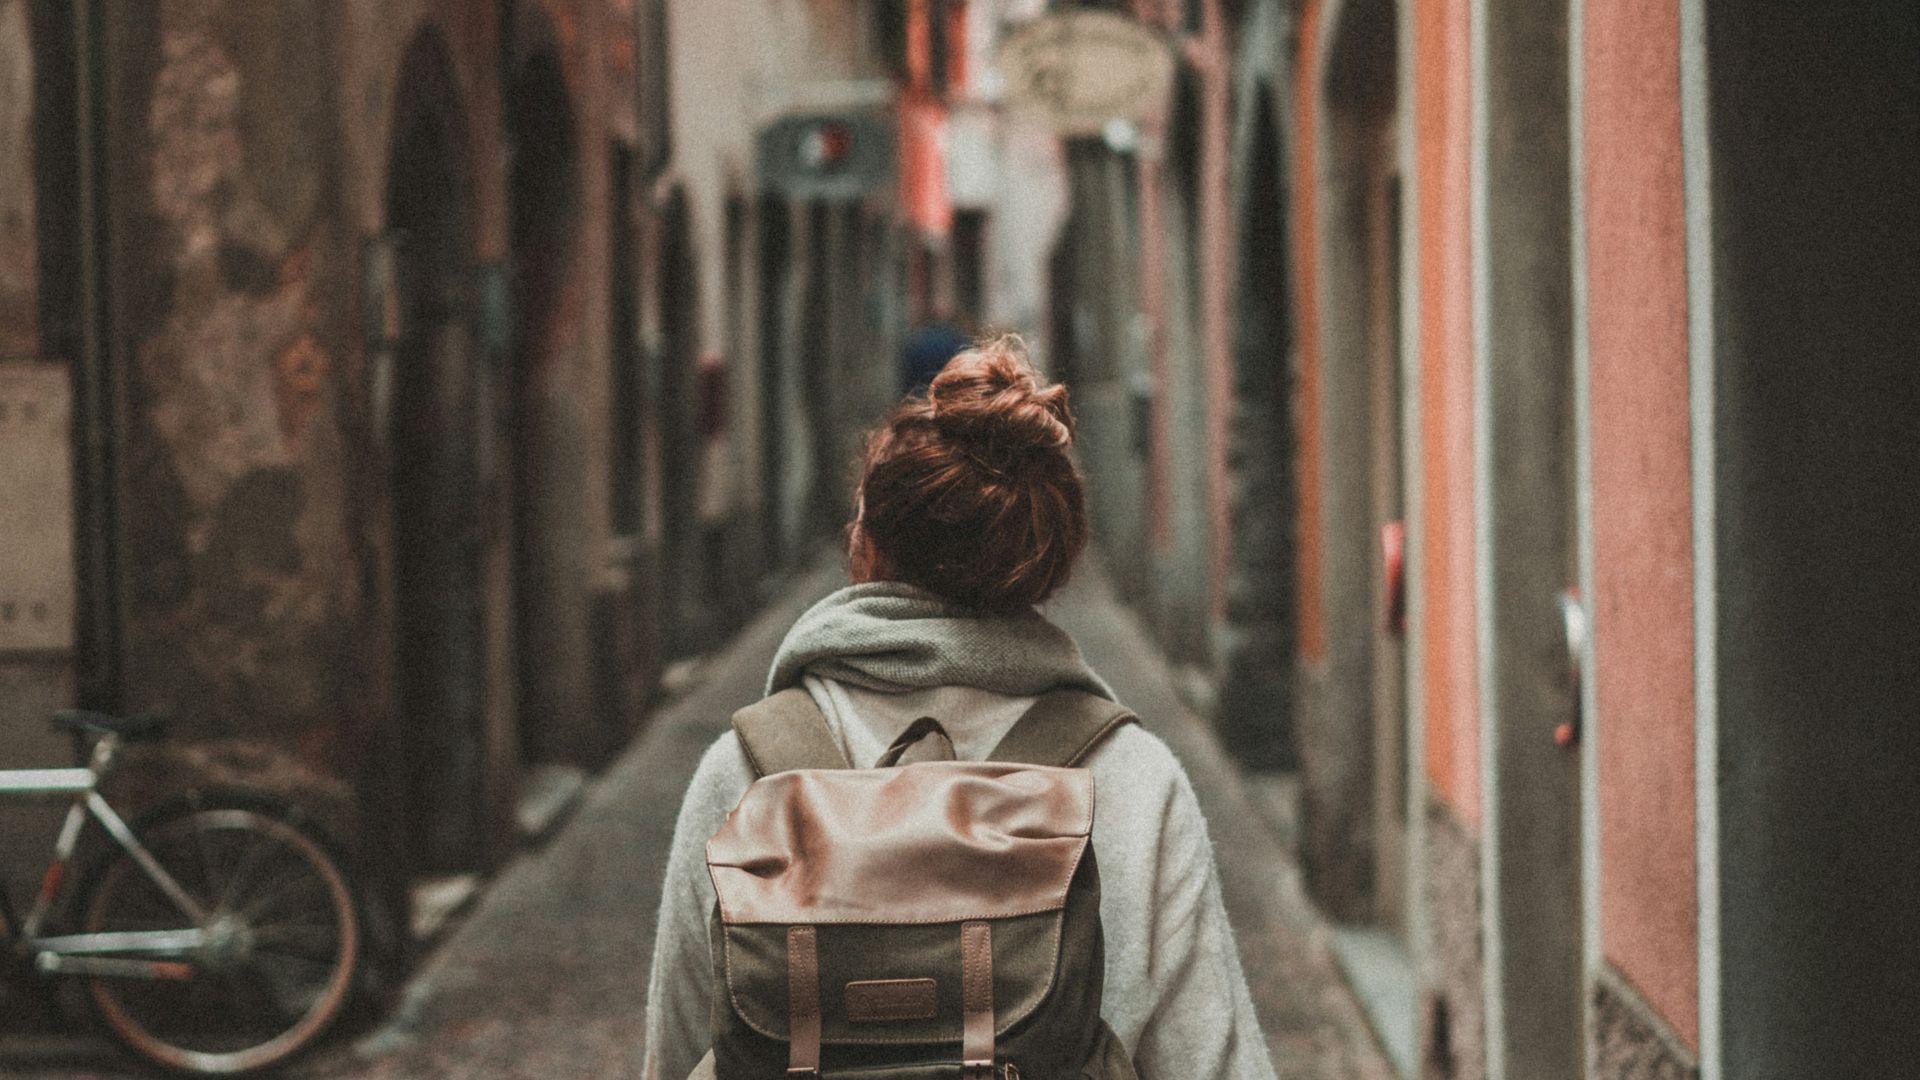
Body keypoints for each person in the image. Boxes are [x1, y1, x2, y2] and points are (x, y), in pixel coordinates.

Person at [641, 337, 1278, 1080]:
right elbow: (1217, 1061)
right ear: (1043, 562)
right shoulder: (1132, 780)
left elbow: (679, 1053)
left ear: (867, 549)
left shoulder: (745, 778)